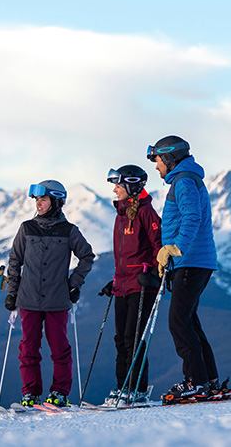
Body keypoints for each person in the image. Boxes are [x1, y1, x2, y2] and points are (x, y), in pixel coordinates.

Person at [146, 135, 231, 404]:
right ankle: (209, 381)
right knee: (189, 322)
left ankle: (195, 382)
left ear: (169, 158)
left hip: (192, 261)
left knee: (178, 321)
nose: (156, 166)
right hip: (192, 262)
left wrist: (175, 248)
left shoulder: (183, 181)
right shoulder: (185, 180)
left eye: (157, 160)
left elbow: (192, 217)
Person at [4, 179, 95, 408]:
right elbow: (14, 260)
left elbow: (87, 256)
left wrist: (74, 284)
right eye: (37, 200)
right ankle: (30, 394)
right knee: (28, 350)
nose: (38, 204)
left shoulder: (69, 231)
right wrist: (12, 292)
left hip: (57, 300)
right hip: (28, 299)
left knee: (60, 350)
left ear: (56, 202)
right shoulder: (27, 228)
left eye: (43, 199)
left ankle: (59, 393)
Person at [99, 165, 163, 406]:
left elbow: (159, 244)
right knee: (120, 339)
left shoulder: (146, 212)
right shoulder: (121, 215)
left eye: (118, 185)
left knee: (133, 338)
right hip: (123, 284)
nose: (114, 190)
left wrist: (155, 274)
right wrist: (115, 281)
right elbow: (123, 257)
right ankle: (122, 387)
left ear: (131, 186)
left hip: (142, 284)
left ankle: (137, 389)